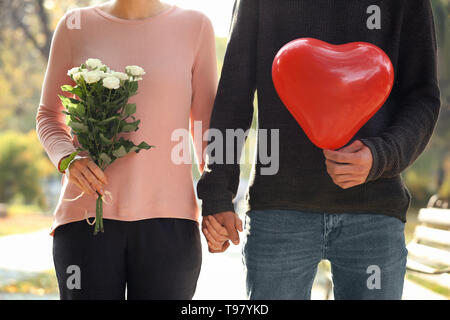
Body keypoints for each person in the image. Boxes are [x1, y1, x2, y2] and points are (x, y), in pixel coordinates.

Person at [199, 0, 441, 300]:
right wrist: (217, 193)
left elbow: (422, 97)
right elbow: (234, 95)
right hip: (279, 210)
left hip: (374, 212)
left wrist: (380, 155)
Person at [36, 0, 217, 299]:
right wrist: (69, 159)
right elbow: (48, 115)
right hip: (86, 221)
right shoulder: (73, 26)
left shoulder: (196, 26)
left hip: (170, 224)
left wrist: (216, 201)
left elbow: (206, 126)